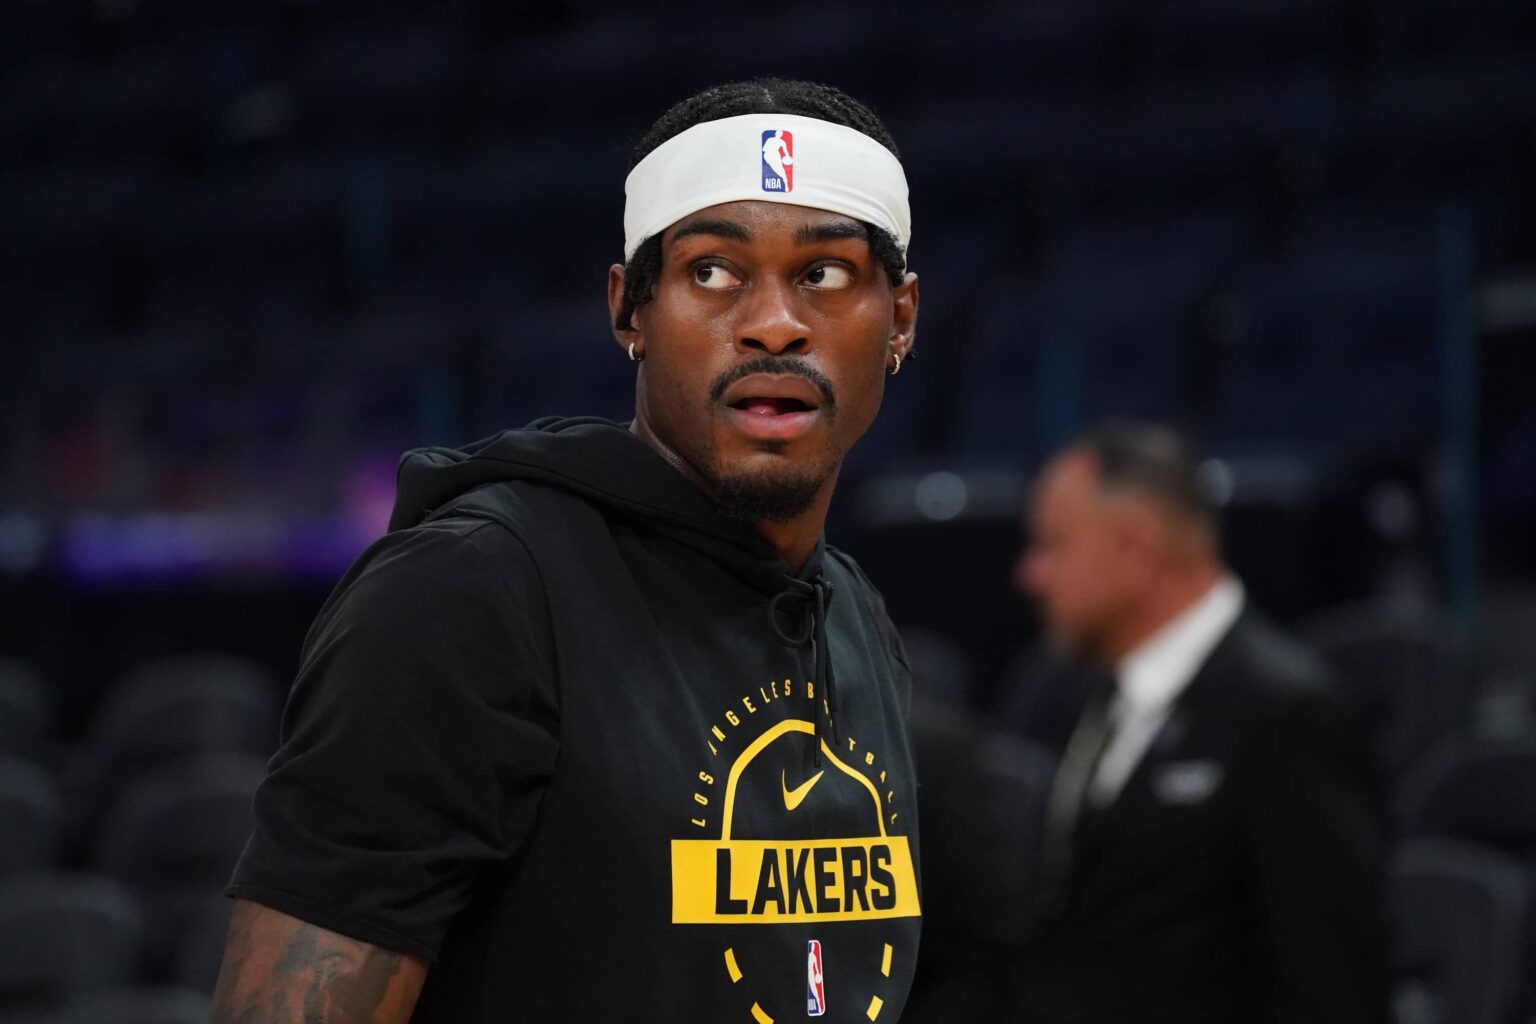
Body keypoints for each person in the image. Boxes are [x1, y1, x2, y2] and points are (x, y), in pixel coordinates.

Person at [211, 79, 923, 1024]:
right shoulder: (472, 589)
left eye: (825, 273)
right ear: (630, 309)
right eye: (713, 271)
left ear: (902, 320)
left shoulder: (854, 614)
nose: (773, 323)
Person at [1006, 420, 1391, 1024]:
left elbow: (1336, 991)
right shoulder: (1060, 695)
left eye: (1053, 545)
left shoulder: (1288, 717)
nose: (1030, 575)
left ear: (1135, 550)